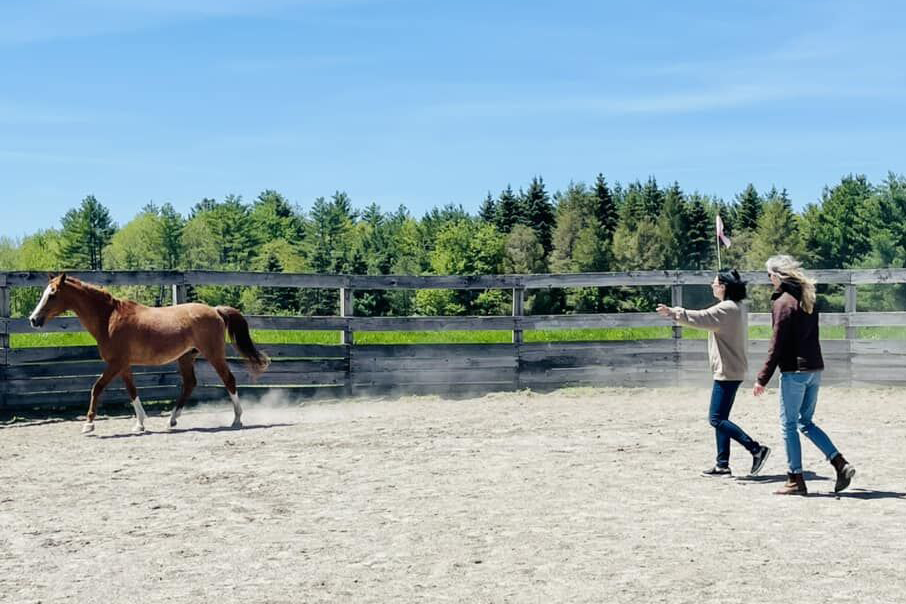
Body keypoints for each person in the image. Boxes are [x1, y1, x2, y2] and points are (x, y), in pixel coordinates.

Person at [753, 255, 856, 496]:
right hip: (814, 369)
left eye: (769, 275)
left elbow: (776, 345)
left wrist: (762, 378)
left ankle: (795, 479)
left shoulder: (783, 303)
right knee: (805, 422)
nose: (769, 280)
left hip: (795, 372)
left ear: (777, 276)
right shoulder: (807, 297)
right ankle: (840, 463)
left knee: (789, 425)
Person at [657, 269, 771, 477]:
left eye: (715, 282)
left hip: (727, 371)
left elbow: (701, 318)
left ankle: (756, 449)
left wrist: (673, 312)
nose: (711, 285)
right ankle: (722, 464)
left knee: (716, 419)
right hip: (732, 369)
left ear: (724, 287)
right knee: (722, 418)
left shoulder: (726, 308)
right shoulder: (736, 307)